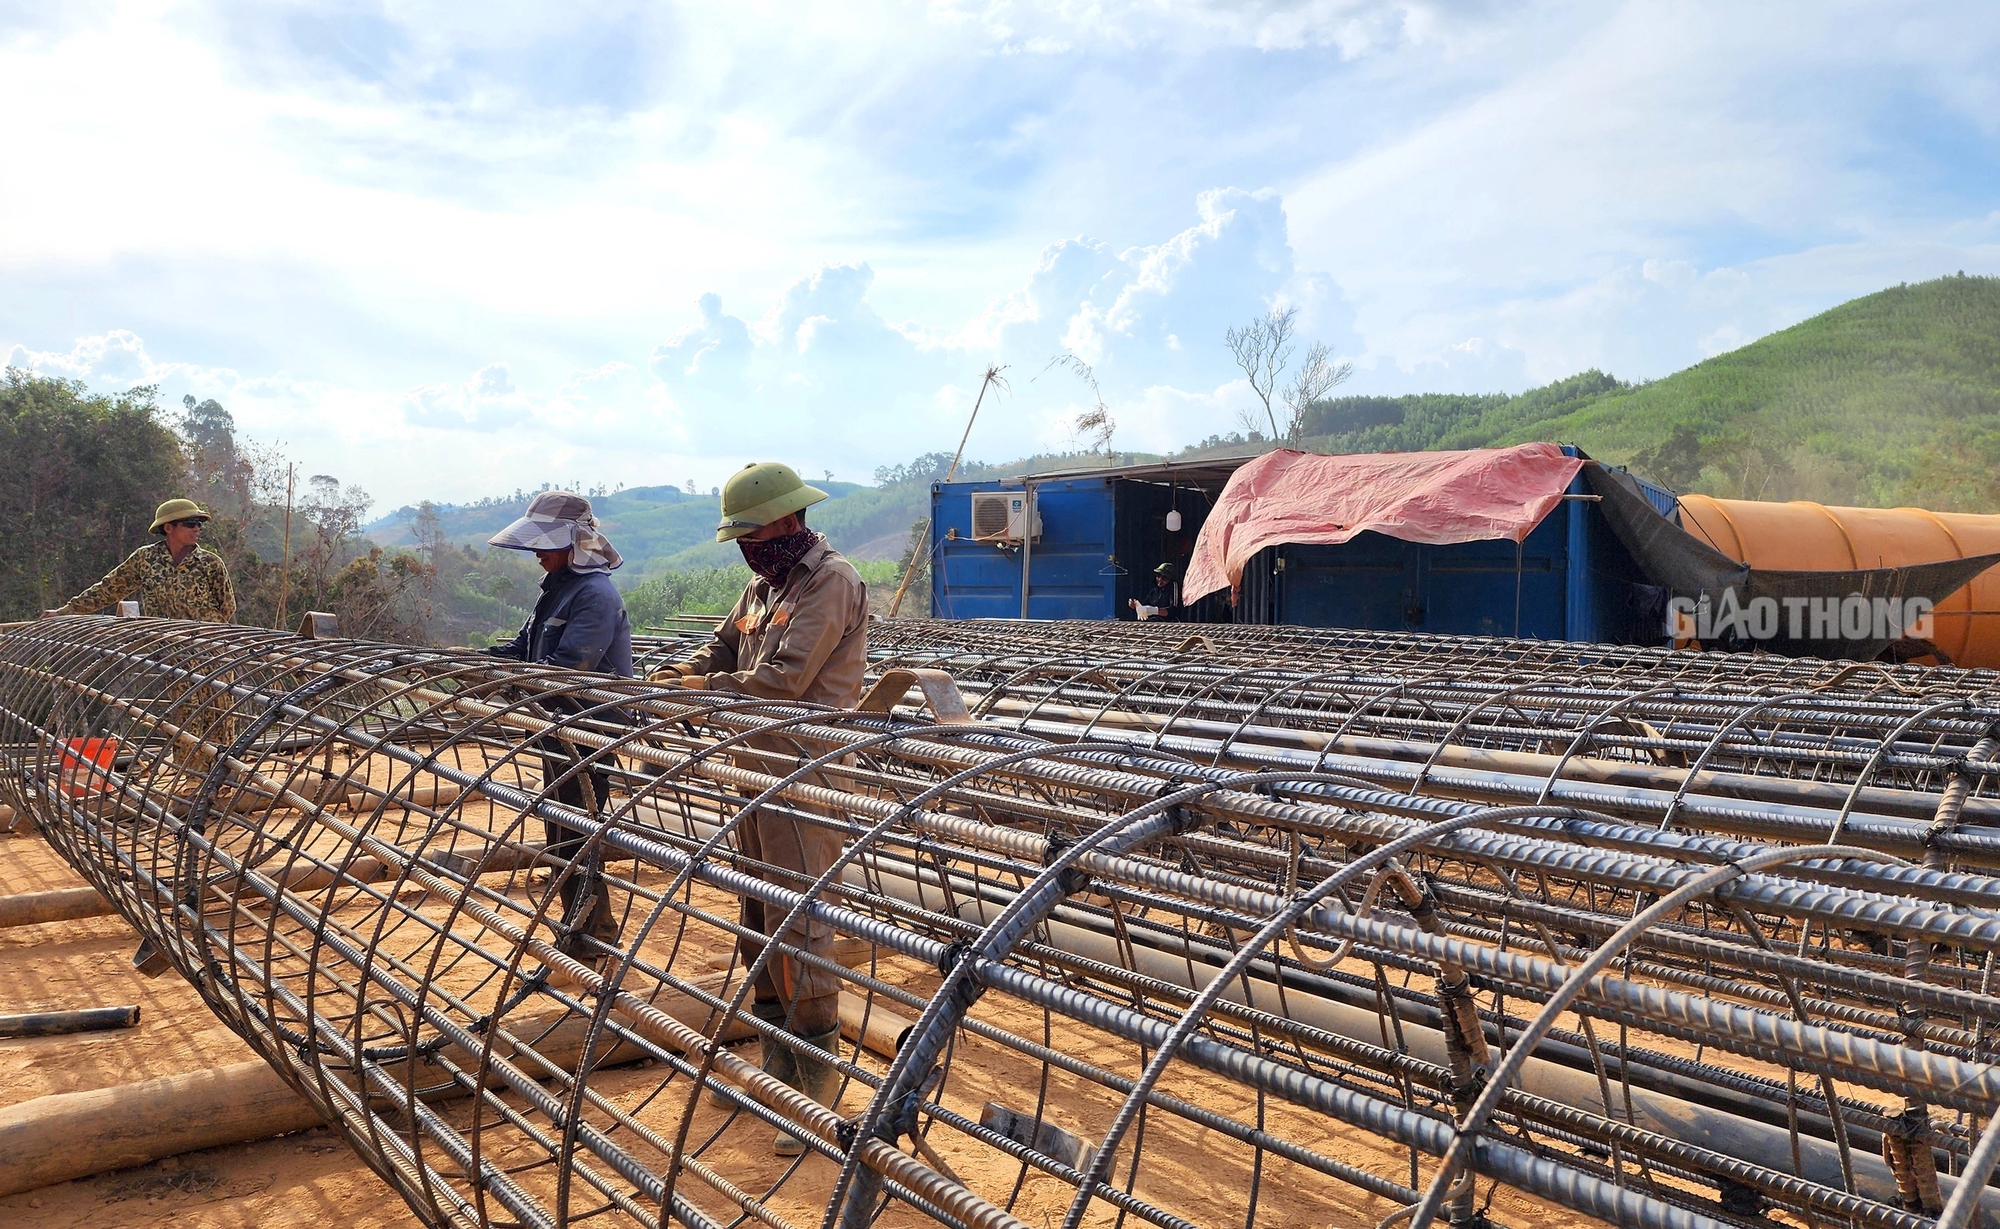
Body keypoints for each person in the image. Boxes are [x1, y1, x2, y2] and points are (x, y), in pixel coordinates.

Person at [652, 461, 867, 1154]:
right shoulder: (762, 585)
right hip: (753, 770)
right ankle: (776, 1059)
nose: (746, 547)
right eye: (739, 537)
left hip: (805, 778)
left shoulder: (831, 581)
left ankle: (815, 1081)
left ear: (786, 521)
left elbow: (784, 679)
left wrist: (704, 692)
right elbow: (724, 644)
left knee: (799, 922)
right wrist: (688, 669)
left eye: (752, 533)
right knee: (756, 917)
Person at [486, 491, 634, 976]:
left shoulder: (595, 593)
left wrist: (512, 685)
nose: (538, 554)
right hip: (555, 726)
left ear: (577, 543)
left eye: (546, 544)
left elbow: (570, 669)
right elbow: (526, 648)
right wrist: (484, 662)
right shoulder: (556, 585)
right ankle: (582, 927)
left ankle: (594, 935)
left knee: (579, 831)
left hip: (587, 730)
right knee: (560, 831)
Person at [49, 498, 236, 622]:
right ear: (169, 528)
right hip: (166, 653)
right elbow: (108, 589)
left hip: (207, 655)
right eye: (190, 524)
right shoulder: (145, 559)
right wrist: (64, 612)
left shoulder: (210, 563)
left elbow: (227, 607)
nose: (196, 529)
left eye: (199, 524)